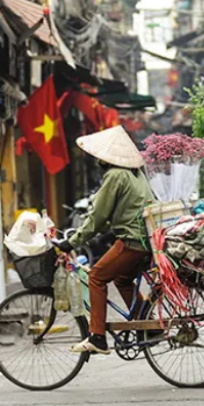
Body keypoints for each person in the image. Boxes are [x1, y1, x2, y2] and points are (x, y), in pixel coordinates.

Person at [56, 126, 154, 355]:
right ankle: (146, 324)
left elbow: (97, 216)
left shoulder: (115, 175)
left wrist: (73, 241)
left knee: (96, 277)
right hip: (143, 238)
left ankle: (97, 337)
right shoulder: (136, 173)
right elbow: (121, 211)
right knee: (121, 278)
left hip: (132, 241)